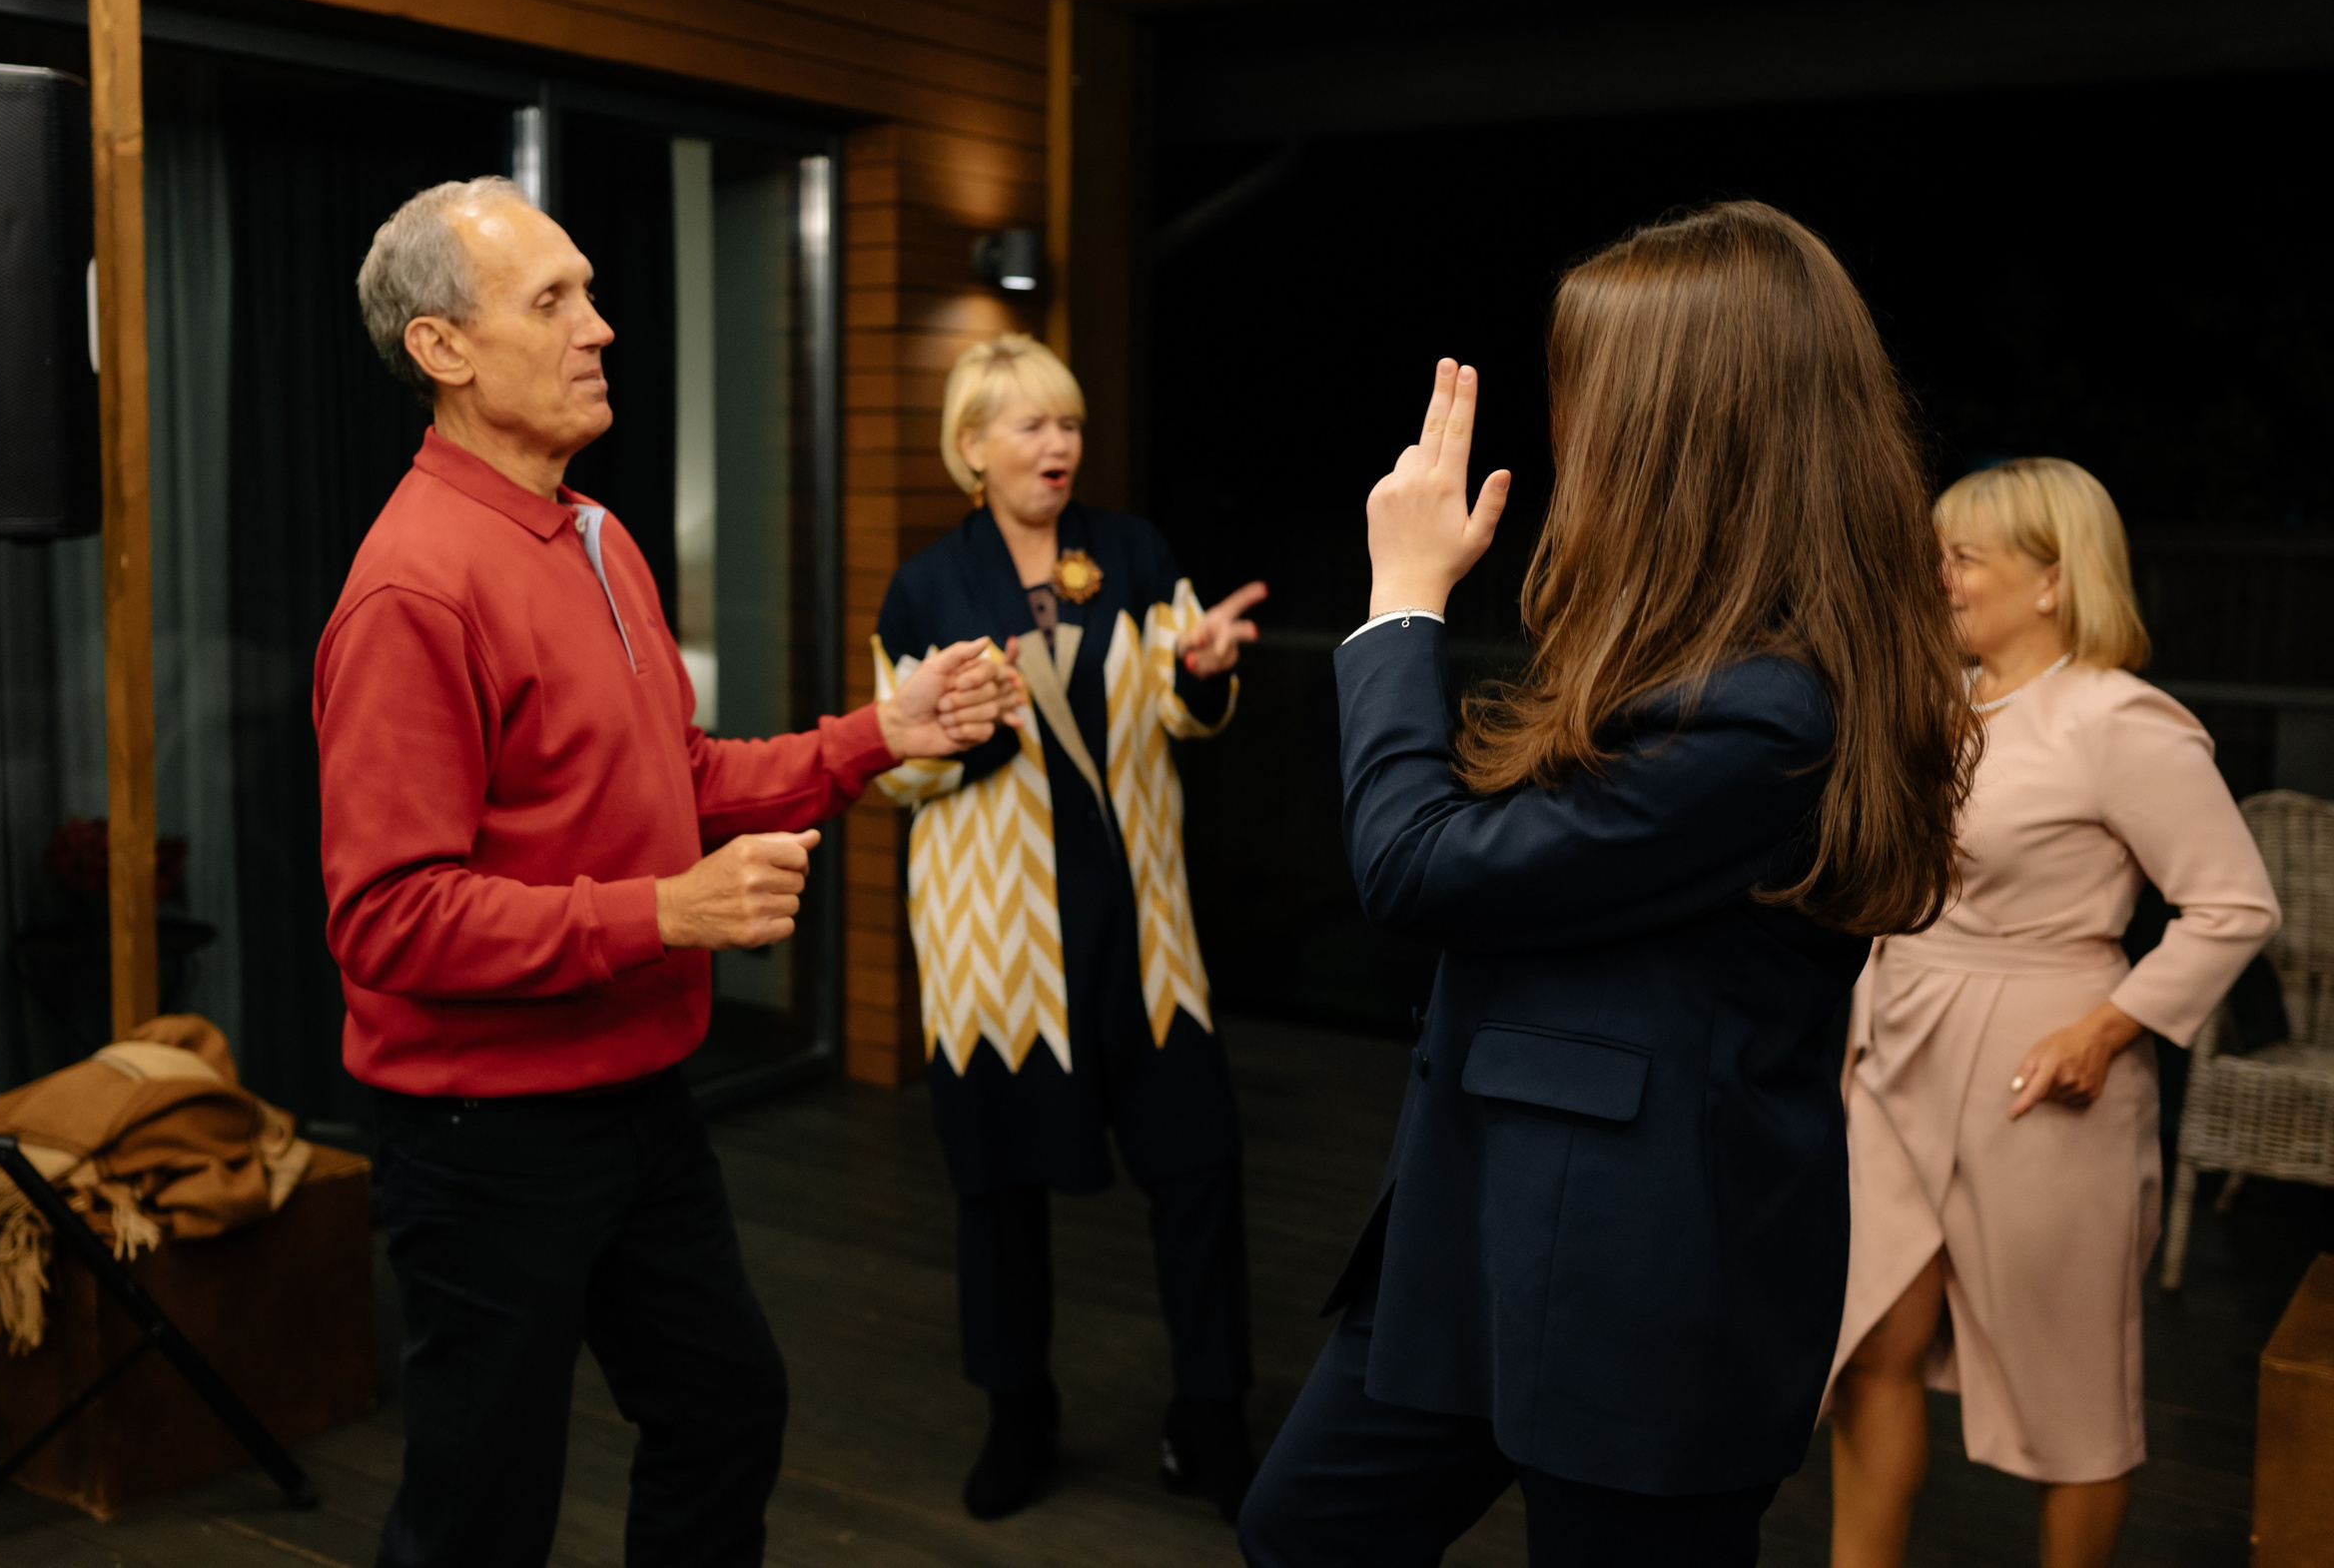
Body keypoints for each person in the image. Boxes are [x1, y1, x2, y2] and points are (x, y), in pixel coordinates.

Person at [1237, 201, 1974, 1567]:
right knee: (1302, 1530)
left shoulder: (1767, 708)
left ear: (1681, 426)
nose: (1569, 425)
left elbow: (1414, 863)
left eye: (1588, 389)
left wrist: (1400, 602)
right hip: (1475, 1226)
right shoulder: (1684, 658)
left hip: (1642, 1278)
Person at [316, 176, 1012, 1568]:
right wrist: (667, 911)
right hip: (485, 1138)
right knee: (479, 1512)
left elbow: (672, 779)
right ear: (443, 350)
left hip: (638, 1100)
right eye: (551, 300)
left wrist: (882, 732)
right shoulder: (413, 588)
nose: (601, 326)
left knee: (725, 1410)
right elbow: (388, 919)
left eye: (589, 289)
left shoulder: (596, 534)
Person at [1825, 457, 2278, 1568]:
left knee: (2073, 1388)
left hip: (2042, 1066)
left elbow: (2235, 904)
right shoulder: (1938, 709)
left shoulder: (2120, 720)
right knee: (1872, 1342)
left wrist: (2105, 1029)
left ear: (2052, 580)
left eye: (1963, 556)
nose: (1938, 577)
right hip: (1894, 1047)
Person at [869, 335, 1269, 1522]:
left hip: (1141, 930)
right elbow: (891, 771)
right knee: (998, 1189)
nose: (1059, 445)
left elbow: (1187, 710)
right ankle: (1017, 1413)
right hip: (999, 948)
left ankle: (1210, 1416)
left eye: (1070, 424)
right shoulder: (924, 591)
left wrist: (1201, 670)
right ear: (971, 449)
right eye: (1032, 426)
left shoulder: (1135, 552)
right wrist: (964, 726)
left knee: (1199, 1169)